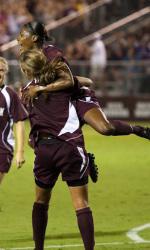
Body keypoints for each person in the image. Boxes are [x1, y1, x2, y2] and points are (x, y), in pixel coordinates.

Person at [17, 21, 150, 143]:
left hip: (75, 97)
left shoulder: (51, 53)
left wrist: (40, 89)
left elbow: (68, 81)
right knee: (34, 142)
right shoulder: (26, 58)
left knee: (106, 128)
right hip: (58, 102)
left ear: (34, 38)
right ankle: (82, 161)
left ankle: (138, 130)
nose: (18, 39)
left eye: (22, 35)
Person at [20, 49, 95, 250]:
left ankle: (39, 248)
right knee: (81, 204)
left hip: (44, 149)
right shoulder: (65, 85)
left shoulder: (25, 91)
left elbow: (32, 122)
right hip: (69, 147)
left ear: (26, 71)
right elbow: (88, 81)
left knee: (40, 201)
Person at [0, 57, 28, 185]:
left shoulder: (10, 95)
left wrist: (20, 152)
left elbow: (19, 123)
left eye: (2, 70)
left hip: (2, 149)